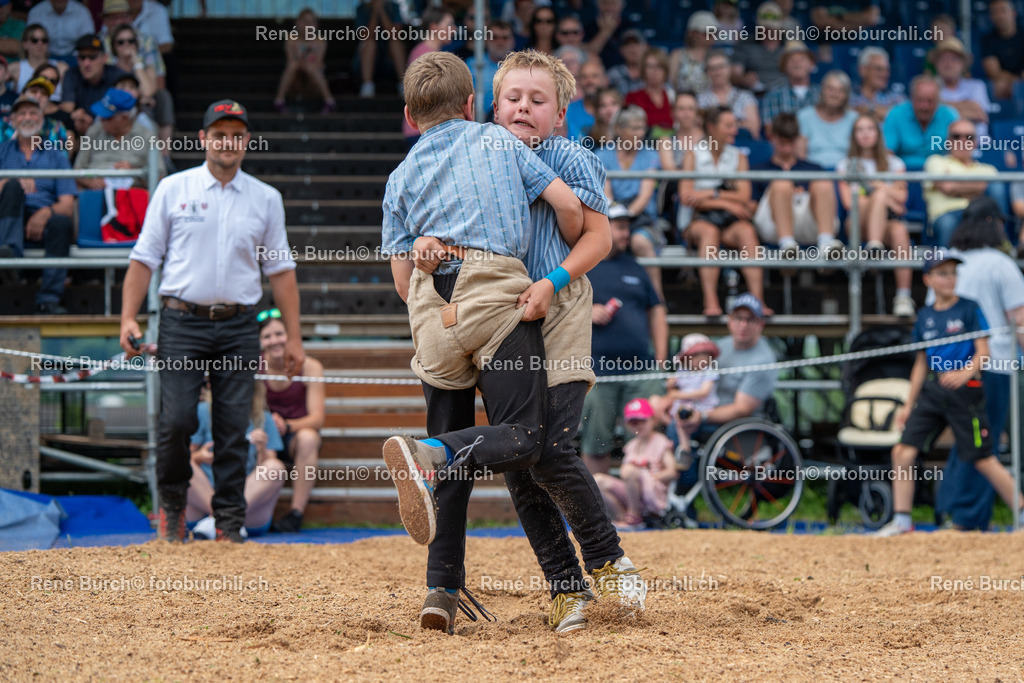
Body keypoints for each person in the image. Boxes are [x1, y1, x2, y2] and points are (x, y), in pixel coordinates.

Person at [412, 49, 645, 635]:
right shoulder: (477, 155)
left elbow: (598, 239)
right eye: (513, 98)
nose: (523, 108)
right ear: (490, 108)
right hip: (501, 313)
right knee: (519, 459)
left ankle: (609, 561)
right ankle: (566, 589)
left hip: (558, 303)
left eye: (538, 101)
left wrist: (553, 280)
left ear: (560, 114)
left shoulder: (569, 155)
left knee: (553, 447)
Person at [380, 51, 585, 547]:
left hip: (432, 315)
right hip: (496, 303)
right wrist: (561, 244)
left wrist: (430, 254)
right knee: (525, 438)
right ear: (473, 104)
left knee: (455, 463)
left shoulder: (397, 178)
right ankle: (427, 451)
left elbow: (403, 284)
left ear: (410, 117)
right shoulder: (496, 140)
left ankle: (442, 590)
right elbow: (569, 205)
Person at [120, 99, 303, 543]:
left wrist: (294, 338)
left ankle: (228, 523)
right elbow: (144, 258)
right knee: (177, 419)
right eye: (219, 133)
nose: (228, 142)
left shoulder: (265, 198)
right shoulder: (172, 188)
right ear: (203, 138)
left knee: (233, 423)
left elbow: (280, 272)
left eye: (236, 134)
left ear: (246, 141)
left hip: (240, 325)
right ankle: (172, 508)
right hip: (182, 321)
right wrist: (128, 316)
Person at [874, 249, 1024, 536]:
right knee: (903, 451)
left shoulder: (969, 308)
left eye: (953, 273)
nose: (950, 279)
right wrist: (908, 403)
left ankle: (1021, 512)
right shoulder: (925, 316)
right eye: (943, 273)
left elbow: (983, 352)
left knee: (983, 457)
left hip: (966, 392)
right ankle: (902, 520)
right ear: (928, 279)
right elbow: (921, 362)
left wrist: (964, 372)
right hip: (933, 391)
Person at [932, 202, 1024, 531]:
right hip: (993, 365)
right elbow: (1020, 320)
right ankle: (965, 517)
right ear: (991, 223)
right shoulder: (1001, 264)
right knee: (983, 442)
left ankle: (953, 511)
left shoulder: (947, 264)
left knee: (968, 440)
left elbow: (935, 318)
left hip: (952, 369)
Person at [580, 203, 668, 474]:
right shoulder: (583, 265)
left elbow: (656, 309)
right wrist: (586, 311)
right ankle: (595, 512)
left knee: (646, 440)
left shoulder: (636, 267)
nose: (625, 233)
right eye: (619, 227)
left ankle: (643, 511)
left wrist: (661, 361)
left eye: (627, 227)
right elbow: (557, 310)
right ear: (602, 228)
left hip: (640, 371)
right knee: (596, 442)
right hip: (598, 372)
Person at [679, 106, 770, 317]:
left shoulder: (738, 157)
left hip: (728, 222)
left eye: (735, 125)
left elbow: (744, 196)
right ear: (711, 127)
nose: (734, 130)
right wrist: (727, 202)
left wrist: (710, 194)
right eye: (728, 125)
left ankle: (758, 300)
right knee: (709, 234)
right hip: (697, 221)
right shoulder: (693, 154)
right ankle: (710, 300)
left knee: (747, 232)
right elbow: (687, 196)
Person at [674, 293, 779, 452]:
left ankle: (685, 474)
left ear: (760, 324)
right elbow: (692, 376)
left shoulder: (763, 360)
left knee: (677, 428)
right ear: (730, 320)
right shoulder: (719, 347)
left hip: (733, 426)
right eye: (738, 318)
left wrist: (701, 415)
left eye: (750, 319)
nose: (743, 325)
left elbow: (742, 409)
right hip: (700, 407)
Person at [0, 93, 74, 313]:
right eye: (21, 113)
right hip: (6, 220)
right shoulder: (1, 152)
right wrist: (9, 182)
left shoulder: (56, 156)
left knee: (61, 222)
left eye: (33, 112)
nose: (27, 117)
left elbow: (68, 204)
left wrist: (45, 213)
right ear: (12, 120)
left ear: (42, 119)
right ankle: (8, 255)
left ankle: (49, 299)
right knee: (12, 188)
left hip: (45, 222)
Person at [836, 114, 914, 316]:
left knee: (899, 230)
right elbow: (849, 202)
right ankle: (874, 245)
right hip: (856, 222)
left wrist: (875, 186)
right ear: (853, 135)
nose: (865, 134)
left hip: (886, 221)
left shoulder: (894, 163)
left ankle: (904, 297)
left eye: (870, 128)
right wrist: (886, 197)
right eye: (860, 129)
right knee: (877, 198)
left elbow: (903, 196)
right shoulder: (845, 164)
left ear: (878, 133)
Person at [186, 381, 287, 539]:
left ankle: (220, 520)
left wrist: (262, 449)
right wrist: (200, 457)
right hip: (204, 500)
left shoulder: (264, 418)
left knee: (275, 467)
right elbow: (183, 458)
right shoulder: (203, 411)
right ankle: (224, 519)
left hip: (246, 505)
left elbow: (270, 473)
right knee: (183, 462)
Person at [259, 308, 325, 533]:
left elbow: (317, 418)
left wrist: (287, 425)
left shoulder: (310, 366)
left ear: (290, 337)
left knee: (308, 438)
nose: (274, 341)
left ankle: (296, 513)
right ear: (260, 342)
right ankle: (256, 512)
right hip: (265, 436)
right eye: (267, 336)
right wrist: (269, 423)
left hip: (295, 435)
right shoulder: (255, 368)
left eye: (279, 334)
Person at [596, 106, 665, 297]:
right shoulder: (603, 155)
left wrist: (625, 219)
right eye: (634, 128)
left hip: (642, 218)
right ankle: (603, 297)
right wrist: (619, 221)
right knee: (604, 240)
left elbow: (644, 196)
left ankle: (656, 300)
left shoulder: (651, 155)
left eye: (642, 128)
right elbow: (606, 195)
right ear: (619, 129)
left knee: (640, 241)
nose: (640, 133)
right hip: (612, 216)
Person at [752, 112, 842, 258]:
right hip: (774, 224)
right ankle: (787, 245)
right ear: (772, 138)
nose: (787, 148)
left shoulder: (813, 168)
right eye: (782, 142)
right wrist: (782, 195)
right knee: (782, 184)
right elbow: (753, 205)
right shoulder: (759, 169)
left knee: (823, 183)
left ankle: (826, 244)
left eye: (791, 142)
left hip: (809, 223)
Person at [593, 398, 676, 530]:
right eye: (633, 423)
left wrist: (650, 478)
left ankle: (634, 516)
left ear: (653, 420)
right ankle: (622, 518)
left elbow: (672, 472)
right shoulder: (631, 446)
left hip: (652, 494)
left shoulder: (661, 442)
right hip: (633, 493)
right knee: (597, 480)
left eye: (643, 421)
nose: (638, 426)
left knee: (630, 471)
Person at [74, 88, 165, 190]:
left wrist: (134, 171)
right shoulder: (94, 131)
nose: (101, 119)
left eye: (107, 117)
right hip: (95, 193)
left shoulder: (147, 136)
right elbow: (78, 168)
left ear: (124, 118)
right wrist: (90, 181)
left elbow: (160, 176)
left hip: (132, 194)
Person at [651, 333, 720, 469]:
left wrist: (678, 395)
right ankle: (659, 443)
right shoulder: (683, 370)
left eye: (704, 354)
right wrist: (671, 384)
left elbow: (703, 392)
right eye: (695, 355)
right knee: (654, 401)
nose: (701, 359)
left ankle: (685, 450)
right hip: (681, 405)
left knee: (682, 418)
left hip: (700, 407)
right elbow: (671, 387)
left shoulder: (709, 372)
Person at [923, 119, 996, 247]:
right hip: (946, 214)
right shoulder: (935, 161)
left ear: (975, 142)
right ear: (948, 141)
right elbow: (947, 187)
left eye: (969, 137)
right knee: (948, 223)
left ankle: (1002, 253)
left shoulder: (988, 169)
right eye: (956, 136)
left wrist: (955, 187)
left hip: (980, 215)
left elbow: (950, 187)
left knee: (991, 221)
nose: (962, 141)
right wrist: (977, 188)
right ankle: (946, 265)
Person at [400, 7, 455, 147]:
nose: (453, 30)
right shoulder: (424, 54)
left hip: (426, 129)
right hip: (423, 130)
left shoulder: (428, 52)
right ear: (434, 27)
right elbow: (425, 95)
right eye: (448, 25)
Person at [882, 75, 959, 171]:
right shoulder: (895, 114)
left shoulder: (950, 116)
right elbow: (887, 153)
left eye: (930, 101)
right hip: (902, 174)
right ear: (911, 98)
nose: (924, 106)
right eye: (920, 100)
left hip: (941, 175)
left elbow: (960, 151)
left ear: (938, 100)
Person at [60, 34, 128, 136]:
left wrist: (94, 125)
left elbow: (124, 111)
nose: (86, 63)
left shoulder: (117, 75)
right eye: (82, 57)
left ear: (104, 58)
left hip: (110, 132)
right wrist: (76, 116)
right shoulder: (71, 74)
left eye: (92, 57)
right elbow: (66, 110)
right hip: (80, 132)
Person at [273, 8, 336, 114]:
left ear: (316, 25)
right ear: (298, 23)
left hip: (313, 83)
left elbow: (318, 64)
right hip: (295, 83)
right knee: (293, 66)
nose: (308, 25)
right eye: (305, 22)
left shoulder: (320, 41)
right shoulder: (291, 39)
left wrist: (306, 64)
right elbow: (291, 61)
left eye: (311, 22)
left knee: (311, 68)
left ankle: (329, 101)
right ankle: (279, 100)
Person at [796, 70, 857, 169]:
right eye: (830, 89)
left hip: (845, 174)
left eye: (840, 91)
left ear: (846, 95)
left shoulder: (853, 118)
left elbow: (857, 155)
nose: (834, 94)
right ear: (822, 91)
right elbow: (800, 156)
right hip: (813, 174)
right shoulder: (805, 117)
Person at [932, 38, 990, 140]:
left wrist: (942, 106)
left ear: (962, 64)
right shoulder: (930, 88)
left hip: (978, 144)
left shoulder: (977, 86)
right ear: (936, 64)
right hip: (944, 147)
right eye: (943, 59)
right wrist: (967, 106)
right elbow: (930, 115)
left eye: (953, 59)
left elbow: (979, 114)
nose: (948, 64)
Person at [760, 40, 819, 136]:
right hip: (786, 147)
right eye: (792, 60)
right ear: (784, 67)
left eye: (801, 59)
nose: (797, 63)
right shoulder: (773, 95)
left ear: (812, 65)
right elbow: (771, 131)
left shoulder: (822, 94)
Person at [698, 51, 760, 139]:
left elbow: (754, 129)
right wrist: (739, 123)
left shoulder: (746, 97)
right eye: (712, 68)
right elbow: (699, 129)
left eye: (721, 67)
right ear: (707, 72)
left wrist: (718, 126)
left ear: (729, 69)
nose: (717, 72)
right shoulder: (700, 99)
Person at [731, 2, 787, 96]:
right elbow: (734, 74)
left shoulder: (789, 45)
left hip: (784, 93)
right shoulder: (745, 44)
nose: (769, 30)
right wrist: (744, 78)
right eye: (765, 27)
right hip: (753, 94)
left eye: (772, 27)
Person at [466, 20, 515, 115]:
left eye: (505, 38)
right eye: (495, 37)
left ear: (512, 41)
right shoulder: (472, 64)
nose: (500, 42)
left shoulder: (521, 67)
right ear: (486, 40)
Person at [9, 24, 67, 100]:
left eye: (44, 40)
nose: (40, 44)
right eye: (35, 40)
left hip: (55, 109)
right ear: (25, 44)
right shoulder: (15, 68)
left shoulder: (61, 68)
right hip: (28, 110)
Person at [624, 47, 672, 138]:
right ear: (643, 70)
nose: (654, 71)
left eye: (659, 67)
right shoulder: (632, 98)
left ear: (665, 71)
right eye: (650, 66)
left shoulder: (673, 97)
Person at [981, 0, 1024, 100]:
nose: (999, 16)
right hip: (1005, 83)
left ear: (1013, 13)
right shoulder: (988, 40)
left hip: (1015, 80)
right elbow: (994, 72)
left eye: (1003, 11)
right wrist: (1018, 83)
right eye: (995, 12)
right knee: (999, 85)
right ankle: (1007, 114)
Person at [26, 0, 93, 61]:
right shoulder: (36, 12)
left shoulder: (82, 12)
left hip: (75, 58)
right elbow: (31, 41)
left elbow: (87, 41)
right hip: (45, 57)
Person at [849, 47, 905, 121]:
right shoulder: (850, 97)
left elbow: (902, 118)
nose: (884, 74)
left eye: (887, 70)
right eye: (878, 69)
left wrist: (869, 110)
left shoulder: (897, 98)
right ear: (863, 70)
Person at [669, 10, 715, 96]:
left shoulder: (716, 56)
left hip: (709, 105)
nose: (712, 36)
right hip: (683, 102)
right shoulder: (678, 55)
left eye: (714, 33)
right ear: (693, 33)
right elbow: (671, 83)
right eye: (707, 33)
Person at [564, 56, 607, 141]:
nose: (589, 81)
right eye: (584, 77)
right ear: (579, 81)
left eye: (594, 76)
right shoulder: (567, 111)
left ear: (604, 80)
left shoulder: (613, 110)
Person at [606, 28, 644, 97]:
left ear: (645, 47)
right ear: (621, 50)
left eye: (636, 43)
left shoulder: (653, 72)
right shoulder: (612, 75)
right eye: (628, 44)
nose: (633, 48)